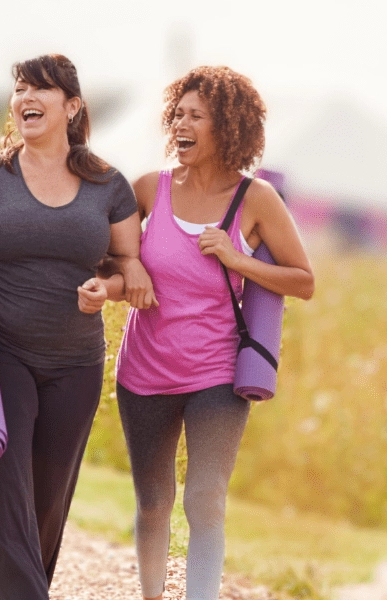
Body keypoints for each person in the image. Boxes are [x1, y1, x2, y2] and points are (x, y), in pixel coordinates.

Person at [0, 54, 154, 600]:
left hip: (77, 361)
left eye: (40, 88)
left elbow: (125, 264)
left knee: (47, 505)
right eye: (19, 87)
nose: (25, 96)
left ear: (71, 106)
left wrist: (111, 287)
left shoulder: (108, 184)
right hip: (1, 355)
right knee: (6, 493)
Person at [114, 66, 315, 600]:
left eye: (195, 116)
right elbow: (111, 264)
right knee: (153, 499)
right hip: (144, 368)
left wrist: (235, 258)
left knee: (204, 498)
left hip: (217, 373)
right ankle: (152, 595)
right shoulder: (146, 189)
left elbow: (304, 281)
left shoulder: (256, 199)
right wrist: (120, 276)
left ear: (227, 127)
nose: (181, 123)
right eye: (177, 114)